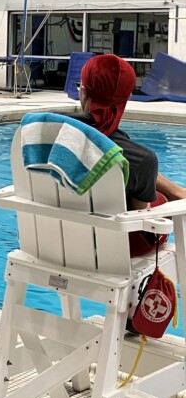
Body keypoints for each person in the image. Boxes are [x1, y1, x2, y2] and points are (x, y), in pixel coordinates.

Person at [77, 53, 186, 255]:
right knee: (159, 198)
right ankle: (176, 193)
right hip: (110, 250)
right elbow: (139, 219)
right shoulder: (140, 158)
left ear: (83, 91)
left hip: (52, 239)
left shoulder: (46, 131)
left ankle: (176, 191)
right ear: (126, 99)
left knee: (138, 170)